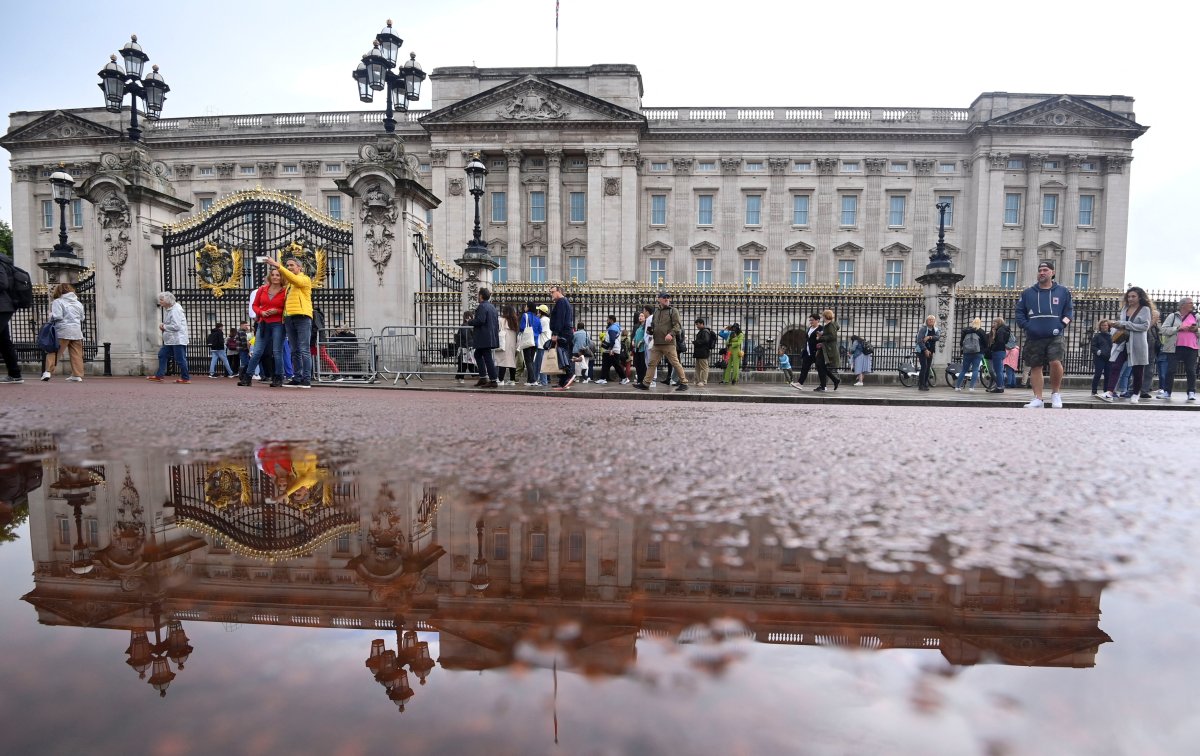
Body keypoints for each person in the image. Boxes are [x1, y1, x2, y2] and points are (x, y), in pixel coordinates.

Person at [1014, 260, 1074, 409]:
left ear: (1052, 273)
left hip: (1055, 335)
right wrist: (1026, 326)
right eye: (1040, 270)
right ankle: (1038, 399)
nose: (1042, 273)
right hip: (1034, 336)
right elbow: (1019, 312)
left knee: (1055, 362)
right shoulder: (1028, 293)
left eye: (1045, 270)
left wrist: (1061, 325)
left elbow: (1069, 312)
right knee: (1035, 366)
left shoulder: (1063, 291)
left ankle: (1055, 394)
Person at [264, 255, 314, 389]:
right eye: (288, 266)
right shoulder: (289, 285)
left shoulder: (305, 279)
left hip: (302, 316)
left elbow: (293, 278)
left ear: (300, 267)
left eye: (292, 265)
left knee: (304, 349)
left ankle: (306, 379)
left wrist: (276, 264)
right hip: (289, 318)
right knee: (294, 350)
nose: (290, 267)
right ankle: (297, 378)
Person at [1100, 287, 1152, 403]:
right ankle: (1109, 391)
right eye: (1129, 296)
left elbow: (1144, 327)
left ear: (1139, 297)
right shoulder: (1125, 308)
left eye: (1133, 296)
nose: (1130, 298)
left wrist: (1125, 324)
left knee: (1138, 370)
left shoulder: (1145, 309)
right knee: (1116, 366)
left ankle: (1135, 393)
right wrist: (1115, 324)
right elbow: (1122, 325)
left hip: (1137, 343)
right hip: (1123, 342)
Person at [237, 267, 287, 387]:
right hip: (263, 323)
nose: (275, 277)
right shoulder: (262, 289)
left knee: (277, 351)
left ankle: (278, 377)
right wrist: (260, 312)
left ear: (281, 278)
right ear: (270, 277)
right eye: (273, 275)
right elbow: (254, 305)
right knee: (257, 351)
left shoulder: (285, 291)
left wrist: (277, 311)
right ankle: (247, 377)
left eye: (278, 275)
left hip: (278, 324)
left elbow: (287, 307)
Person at [635, 292, 688, 391]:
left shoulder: (673, 311)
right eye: (664, 297)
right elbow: (653, 326)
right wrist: (649, 332)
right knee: (651, 363)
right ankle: (646, 383)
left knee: (675, 363)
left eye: (668, 297)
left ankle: (684, 383)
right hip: (657, 343)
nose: (667, 299)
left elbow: (677, 326)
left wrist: (671, 334)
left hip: (669, 344)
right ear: (659, 299)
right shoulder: (656, 312)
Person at [41, 283, 85, 382]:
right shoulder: (78, 303)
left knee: (54, 351)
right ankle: (77, 374)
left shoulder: (58, 301)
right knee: (76, 353)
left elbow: (58, 316)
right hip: (77, 331)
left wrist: (51, 315)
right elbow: (82, 318)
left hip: (63, 330)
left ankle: (48, 371)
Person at [1160, 297, 1198, 401]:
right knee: (1171, 370)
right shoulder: (1173, 316)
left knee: (1190, 370)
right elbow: (1163, 330)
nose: (1192, 305)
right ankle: (1167, 391)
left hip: (1192, 347)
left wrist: (1196, 329)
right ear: (1183, 305)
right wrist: (1178, 328)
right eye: (1190, 303)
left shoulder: (1196, 316)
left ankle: (1191, 392)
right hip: (1174, 347)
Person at [148, 291, 191, 383]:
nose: (160, 302)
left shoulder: (175, 310)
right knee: (162, 355)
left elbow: (176, 326)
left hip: (177, 339)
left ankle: (185, 378)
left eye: (161, 300)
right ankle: (159, 375)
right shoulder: (171, 309)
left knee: (180, 359)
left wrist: (164, 327)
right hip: (171, 339)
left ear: (167, 300)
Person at [0, 252, 24, 384]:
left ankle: (15, 374)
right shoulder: (4, 262)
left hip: (2, 306)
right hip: (5, 306)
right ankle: (15, 374)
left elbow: (2, 283)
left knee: (4, 342)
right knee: (4, 342)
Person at [469, 287, 500, 388]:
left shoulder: (482, 306)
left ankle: (493, 379)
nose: (478, 297)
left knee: (487, 358)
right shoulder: (492, 307)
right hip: (490, 336)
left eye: (478, 295)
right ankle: (483, 378)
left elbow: (480, 320)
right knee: (478, 354)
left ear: (481, 296)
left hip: (483, 336)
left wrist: (470, 321)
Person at [548, 285, 575, 389]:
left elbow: (560, 319)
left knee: (562, 356)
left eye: (552, 292)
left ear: (558, 291)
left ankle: (569, 374)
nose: (551, 294)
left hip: (563, 333)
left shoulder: (561, 302)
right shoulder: (564, 302)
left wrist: (555, 333)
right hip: (565, 332)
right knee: (562, 355)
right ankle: (562, 381)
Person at [954, 317, 988, 392]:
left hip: (967, 353)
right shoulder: (981, 331)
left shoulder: (966, 331)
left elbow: (961, 343)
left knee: (964, 370)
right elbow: (986, 343)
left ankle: (957, 386)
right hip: (978, 353)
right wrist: (983, 350)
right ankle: (971, 387)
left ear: (972, 323)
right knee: (975, 369)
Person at [596, 314, 626, 385]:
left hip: (612, 350)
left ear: (611, 320)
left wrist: (610, 349)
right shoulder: (614, 327)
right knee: (606, 364)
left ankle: (624, 378)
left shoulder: (612, 328)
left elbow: (612, 340)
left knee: (616, 365)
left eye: (607, 320)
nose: (607, 321)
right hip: (612, 349)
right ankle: (603, 378)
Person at [814, 309, 840, 392]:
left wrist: (820, 338)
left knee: (820, 365)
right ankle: (834, 380)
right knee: (820, 366)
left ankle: (824, 386)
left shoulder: (831, 325)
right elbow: (829, 335)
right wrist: (822, 334)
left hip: (828, 349)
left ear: (826, 316)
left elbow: (833, 337)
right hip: (824, 348)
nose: (822, 318)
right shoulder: (828, 325)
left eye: (823, 316)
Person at [518, 301, 542, 386]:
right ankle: (529, 380)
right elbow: (540, 330)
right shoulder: (537, 318)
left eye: (525, 306)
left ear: (528, 307)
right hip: (535, 341)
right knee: (531, 361)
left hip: (527, 340)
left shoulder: (525, 315)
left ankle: (533, 380)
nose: (525, 307)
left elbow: (521, 328)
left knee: (528, 361)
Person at [495, 303, 519, 385]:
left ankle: (501, 379)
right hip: (512, 343)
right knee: (511, 361)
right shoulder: (515, 321)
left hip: (504, 342)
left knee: (502, 361)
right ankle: (512, 380)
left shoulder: (501, 320)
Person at [986, 318, 1011, 394]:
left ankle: (999, 387)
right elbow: (1005, 341)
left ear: (999, 323)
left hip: (997, 351)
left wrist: (993, 346)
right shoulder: (1005, 330)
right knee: (1000, 370)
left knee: (998, 371)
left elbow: (999, 341)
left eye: (995, 323)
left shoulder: (1000, 330)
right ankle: (1001, 386)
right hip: (1002, 351)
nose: (993, 324)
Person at [914, 315, 939, 392]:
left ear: (934, 321)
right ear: (926, 321)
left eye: (932, 320)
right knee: (924, 367)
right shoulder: (923, 329)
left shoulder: (936, 329)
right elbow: (919, 340)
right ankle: (921, 385)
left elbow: (937, 337)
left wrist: (929, 337)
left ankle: (925, 383)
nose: (931, 321)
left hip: (931, 350)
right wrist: (925, 350)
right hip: (922, 351)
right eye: (929, 320)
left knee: (928, 368)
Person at [1089, 320, 1113, 398]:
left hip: (1109, 358)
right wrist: (1098, 351)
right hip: (1099, 358)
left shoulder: (1111, 336)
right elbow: (1093, 346)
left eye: (1106, 325)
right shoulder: (1097, 336)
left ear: (1108, 326)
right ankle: (1094, 391)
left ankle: (1106, 390)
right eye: (1102, 325)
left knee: (1108, 376)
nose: (1104, 327)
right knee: (1097, 374)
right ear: (1100, 327)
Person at [692, 318, 718, 387]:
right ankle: (697, 380)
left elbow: (706, 340)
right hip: (699, 352)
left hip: (703, 352)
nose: (696, 326)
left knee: (704, 367)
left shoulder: (705, 331)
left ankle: (703, 381)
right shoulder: (702, 331)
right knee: (697, 367)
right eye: (696, 325)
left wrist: (695, 342)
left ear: (702, 324)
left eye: (697, 324)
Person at [454, 310, 476, 384]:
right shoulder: (467, 326)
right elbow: (467, 337)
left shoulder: (465, 325)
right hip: (467, 347)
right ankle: (460, 377)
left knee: (465, 363)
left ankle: (459, 377)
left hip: (465, 347)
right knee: (465, 363)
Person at [632, 306, 652, 387]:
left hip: (642, 348)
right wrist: (633, 340)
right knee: (637, 365)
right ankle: (639, 380)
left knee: (642, 365)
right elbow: (635, 335)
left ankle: (642, 381)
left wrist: (642, 341)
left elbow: (648, 335)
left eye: (642, 316)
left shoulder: (646, 326)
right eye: (640, 316)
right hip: (636, 348)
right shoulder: (638, 326)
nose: (640, 317)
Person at [536, 303, 552, 386]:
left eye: (538, 310)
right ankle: (538, 380)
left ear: (541, 311)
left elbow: (539, 330)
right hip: (544, 344)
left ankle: (543, 381)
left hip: (542, 344)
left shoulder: (543, 320)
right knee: (539, 364)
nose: (537, 312)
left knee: (542, 365)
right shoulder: (547, 319)